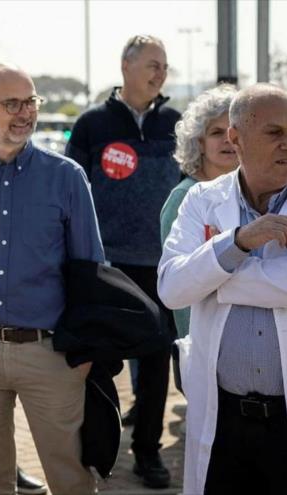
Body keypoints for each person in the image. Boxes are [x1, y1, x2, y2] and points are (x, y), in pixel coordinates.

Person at [158, 83, 287, 495]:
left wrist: (217, 278)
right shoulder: (200, 201)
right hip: (222, 416)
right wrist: (238, 242)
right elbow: (172, 289)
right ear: (236, 139)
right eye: (274, 132)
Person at [0, 63, 103, 495]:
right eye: (12, 103)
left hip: (50, 353)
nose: (25, 112)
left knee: (71, 477)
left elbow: (90, 269)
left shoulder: (66, 177)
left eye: (30, 101)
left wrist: (84, 351)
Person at [65, 34, 180, 489]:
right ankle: (98, 449)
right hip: (109, 265)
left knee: (155, 363)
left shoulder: (174, 122)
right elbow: (72, 192)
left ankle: (148, 453)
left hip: (163, 263)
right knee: (100, 363)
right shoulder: (93, 124)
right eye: (152, 63)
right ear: (125, 67)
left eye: (165, 66)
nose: (160, 73)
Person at [159, 85, 237, 339]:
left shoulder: (248, 193)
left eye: (234, 131)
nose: (228, 139)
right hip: (201, 346)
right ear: (199, 143)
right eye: (216, 132)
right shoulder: (184, 197)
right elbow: (180, 285)